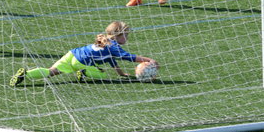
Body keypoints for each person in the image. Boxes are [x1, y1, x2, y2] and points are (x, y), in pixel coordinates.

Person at [9, 21, 156, 85]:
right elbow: (129, 57)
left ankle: (25, 74)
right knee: (102, 75)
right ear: (118, 35)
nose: (127, 38)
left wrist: (121, 73)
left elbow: (111, 60)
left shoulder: (105, 42)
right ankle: (84, 72)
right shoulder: (114, 47)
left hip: (73, 54)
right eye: (126, 35)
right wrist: (149, 60)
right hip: (81, 62)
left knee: (51, 71)